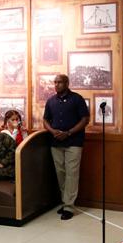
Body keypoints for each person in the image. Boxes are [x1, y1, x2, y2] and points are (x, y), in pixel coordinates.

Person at [43, 74, 90, 221]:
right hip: (55, 142)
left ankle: (69, 206)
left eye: (60, 82)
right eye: (55, 82)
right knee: (60, 172)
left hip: (74, 142)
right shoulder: (51, 101)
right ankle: (65, 202)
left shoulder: (77, 99)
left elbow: (85, 119)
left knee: (72, 173)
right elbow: (45, 119)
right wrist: (52, 131)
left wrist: (69, 132)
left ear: (67, 83)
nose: (57, 85)